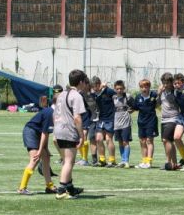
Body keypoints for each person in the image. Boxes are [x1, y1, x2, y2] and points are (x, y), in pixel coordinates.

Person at [17, 85, 62, 195]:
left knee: (46, 158)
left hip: (37, 133)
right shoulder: (50, 113)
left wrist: (45, 149)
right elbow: (44, 133)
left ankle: (49, 186)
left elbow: (44, 131)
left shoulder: (54, 112)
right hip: (31, 132)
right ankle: (22, 188)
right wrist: (41, 149)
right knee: (35, 159)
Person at [52, 70, 88, 199]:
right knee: (69, 161)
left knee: (66, 160)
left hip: (59, 129)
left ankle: (70, 187)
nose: (85, 84)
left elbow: (54, 113)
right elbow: (77, 118)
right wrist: (81, 135)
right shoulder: (76, 96)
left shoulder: (61, 94)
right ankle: (61, 190)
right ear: (81, 82)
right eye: (85, 82)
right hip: (68, 130)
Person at [133, 78, 158, 169]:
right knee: (142, 141)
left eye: (146, 86)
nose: (144, 88)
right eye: (142, 87)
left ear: (149, 87)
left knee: (149, 141)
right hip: (141, 122)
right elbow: (134, 108)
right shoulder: (138, 97)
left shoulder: (154, 95)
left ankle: (149, 162)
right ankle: (144, 161)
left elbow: (159, 101)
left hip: (151, 122)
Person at [92, 76, 117, 167]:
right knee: (98, 139)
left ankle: (112, 160)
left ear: (99, 84)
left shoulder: (107, 91)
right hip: (101, 119)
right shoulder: (93, 94)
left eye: (95, 86)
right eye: (93, 86)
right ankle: (102, 159)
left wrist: (107, 87)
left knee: (108, 139)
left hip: (110, 118)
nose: (94, 88)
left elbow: (117, 94)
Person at [113, 80, 134, 168]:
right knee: (120, 142)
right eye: (117, 89)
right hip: (117, 123)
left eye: (121, 88)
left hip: (126, 122)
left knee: (126, 142)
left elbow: (134, 106)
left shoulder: (128, 96)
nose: (119, 90)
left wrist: (132, 110)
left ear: (124, 88)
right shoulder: (113, 97)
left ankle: (126, 161)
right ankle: (122, 160)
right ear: (115, 89)